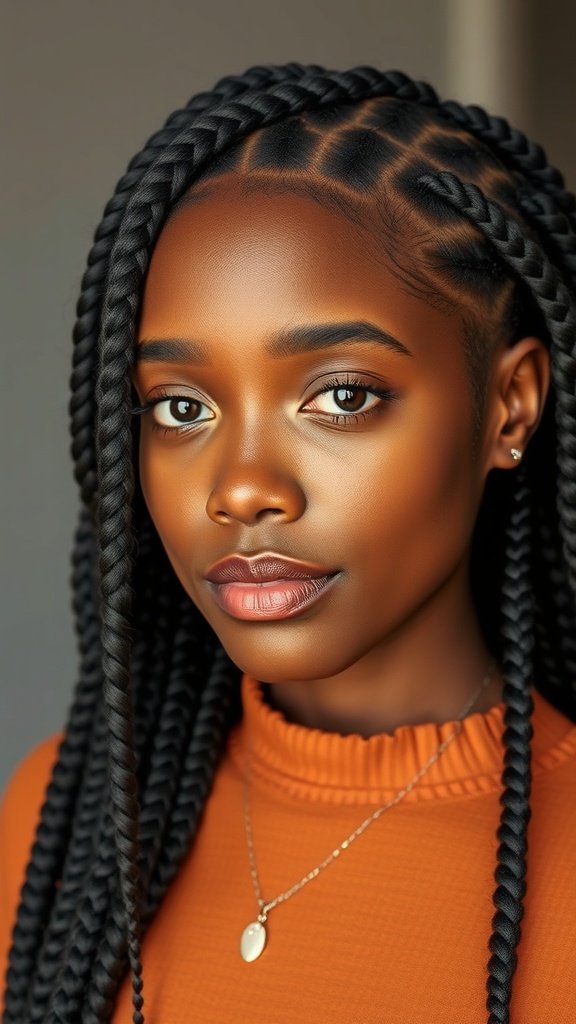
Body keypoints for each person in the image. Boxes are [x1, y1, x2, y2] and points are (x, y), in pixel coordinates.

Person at [1, 62, 576, 1024]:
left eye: (341, 397)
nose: (240, 488)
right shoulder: (68, 822)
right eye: (180, 407)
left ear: (507, 406)